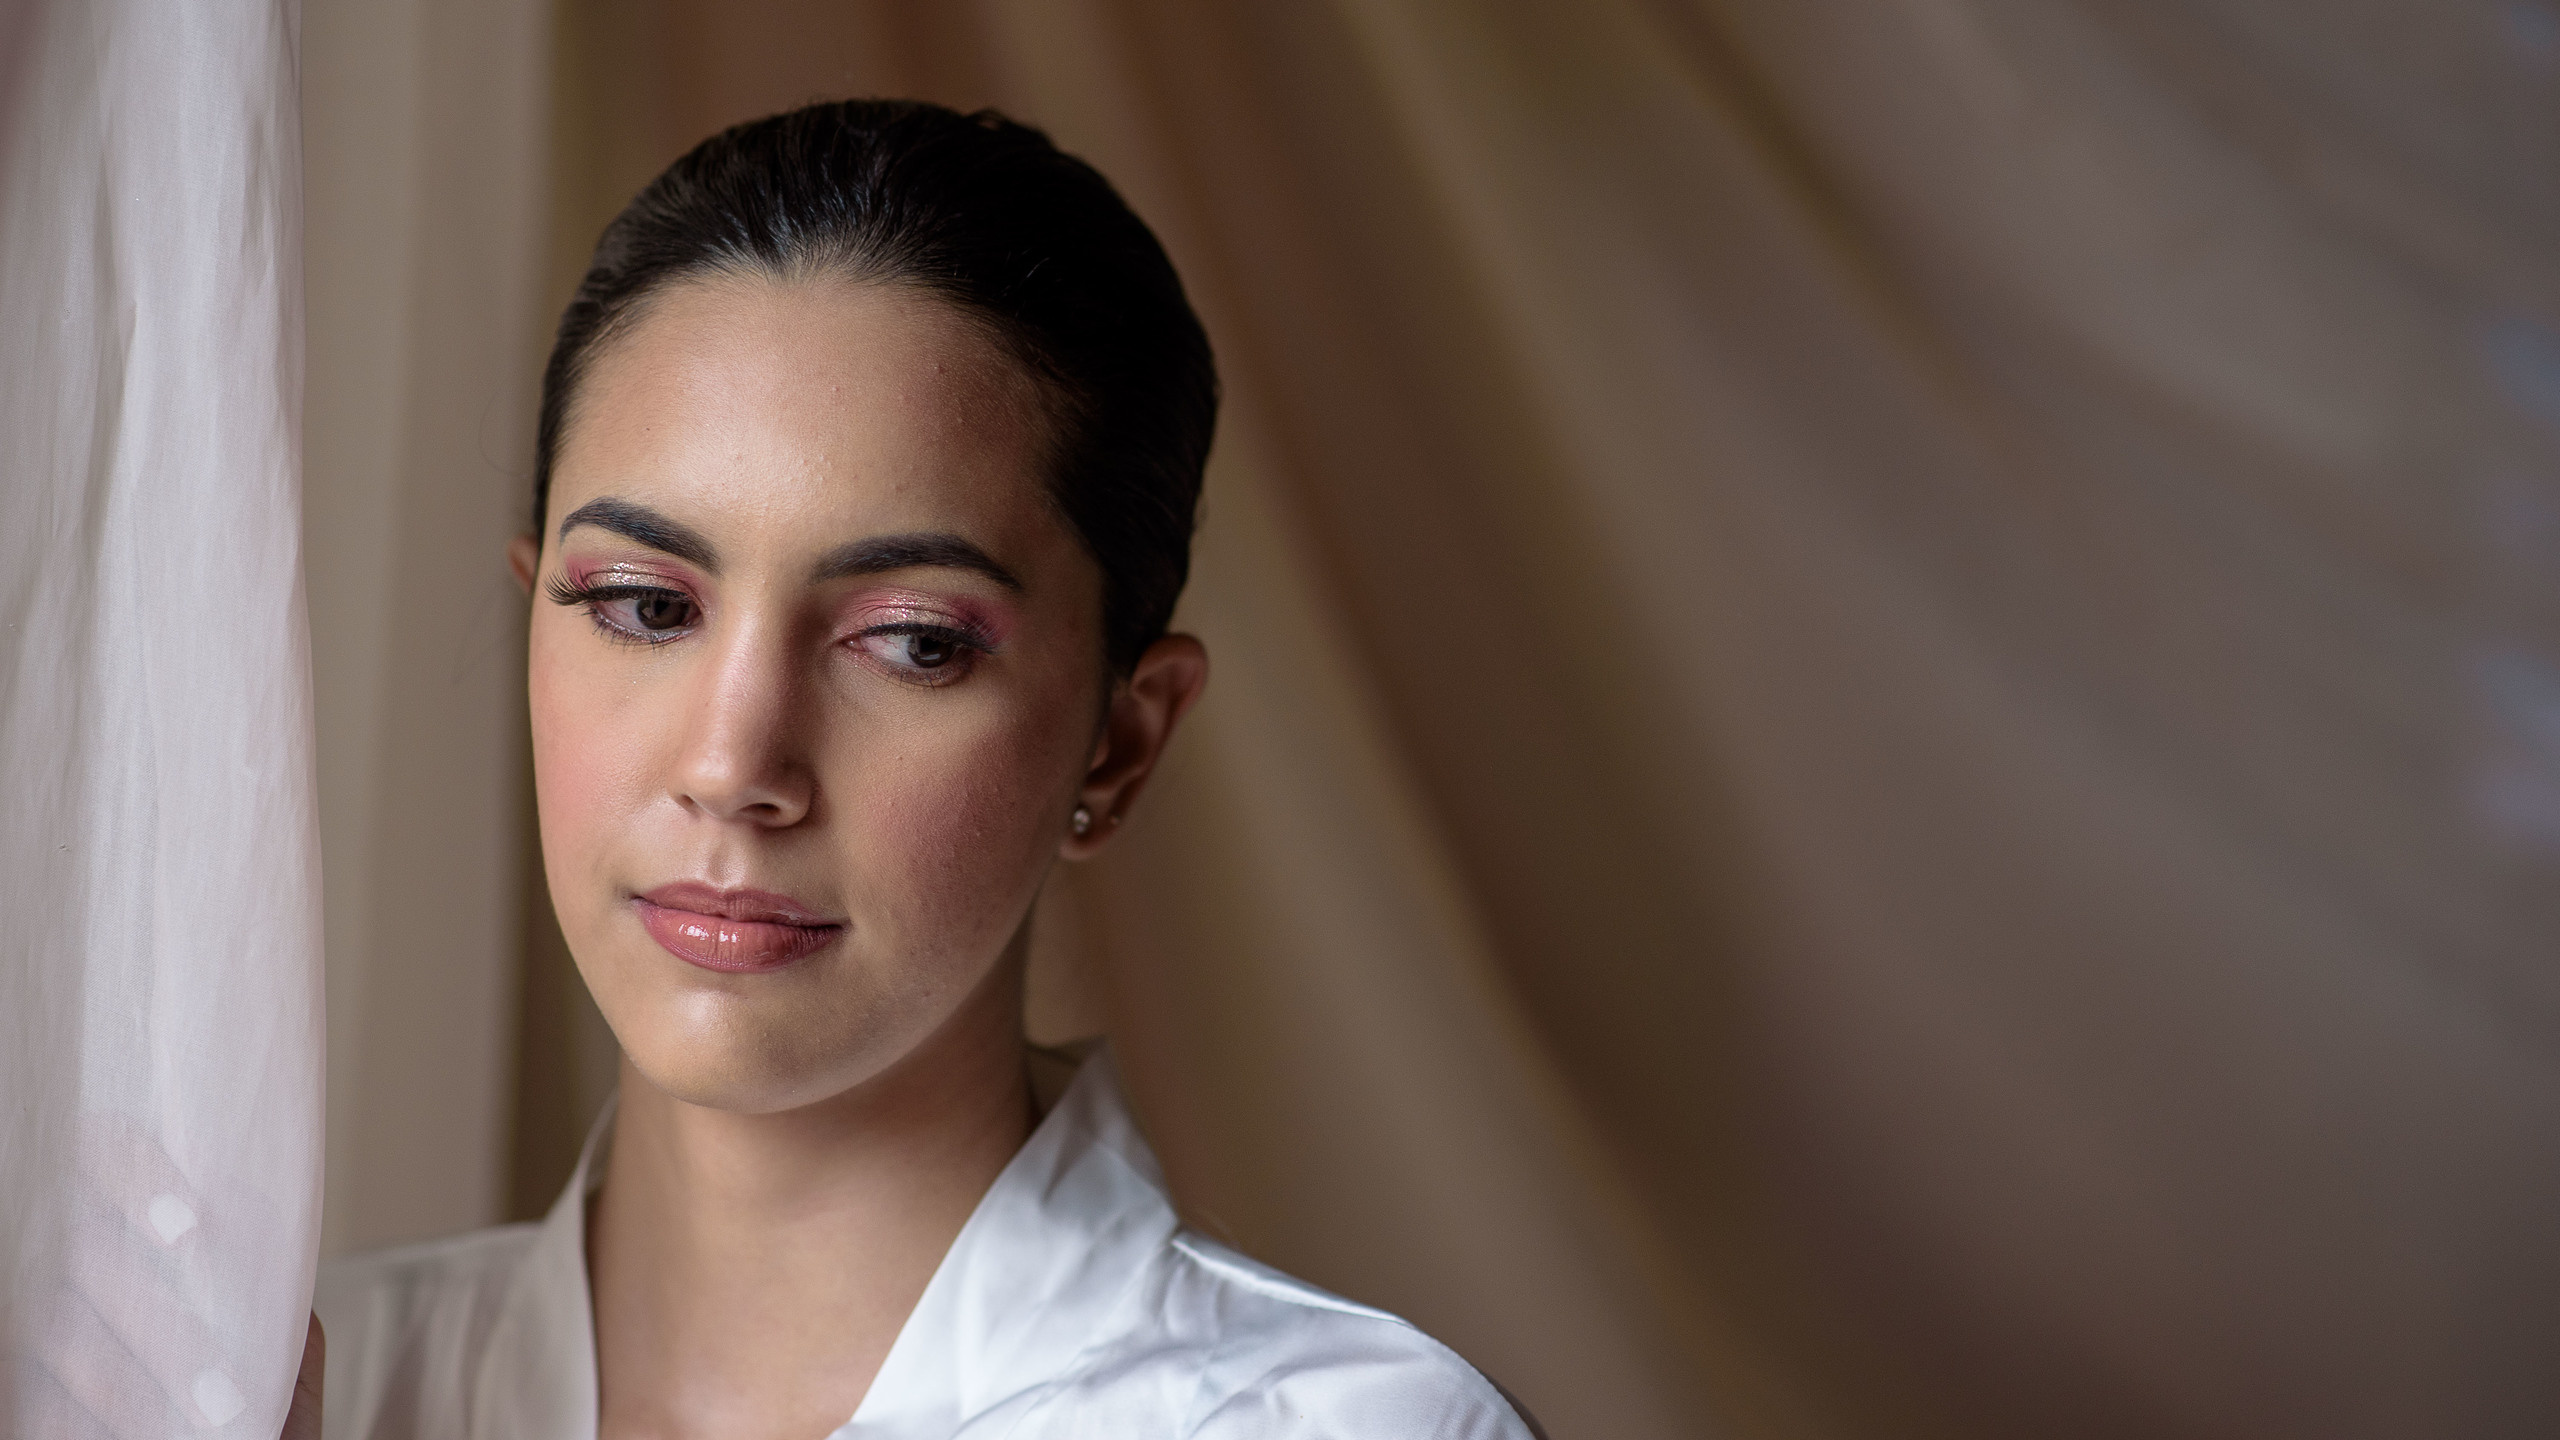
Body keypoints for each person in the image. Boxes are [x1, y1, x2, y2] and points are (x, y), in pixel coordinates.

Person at [311, 99, 1538, 1440]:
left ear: (1122, 740)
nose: (733, 766)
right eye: (647, 609)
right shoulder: (269, 1384)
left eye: (911, 641)